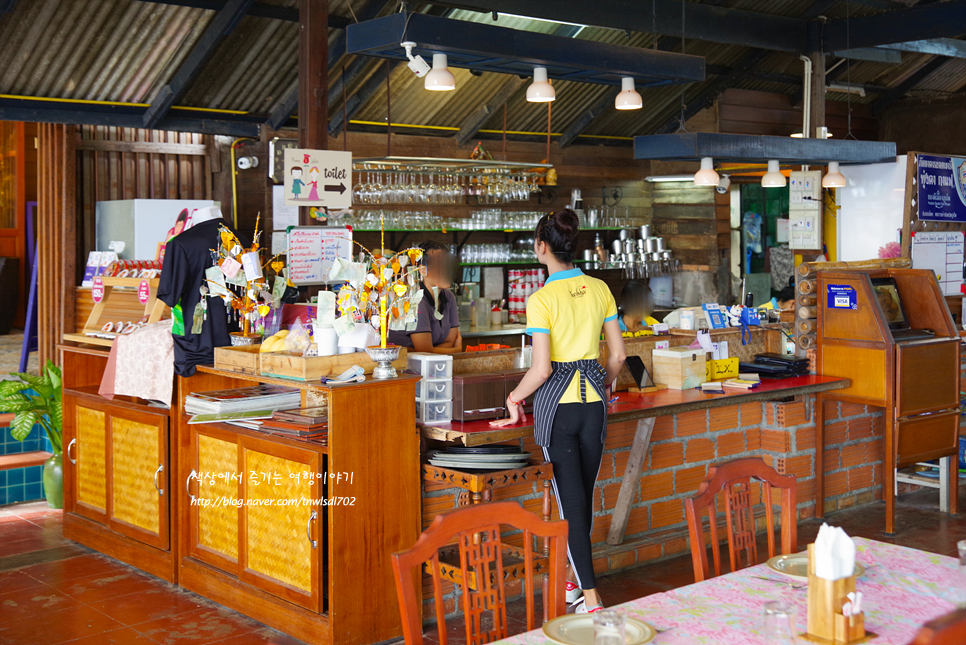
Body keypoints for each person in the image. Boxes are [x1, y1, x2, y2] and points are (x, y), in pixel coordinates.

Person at [490, 209, 626, 613]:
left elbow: (542, 369)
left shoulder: (542, 298)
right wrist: (605, 383)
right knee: (581, 498)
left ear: (541, 247)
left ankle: (593, 599)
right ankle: (572, 582)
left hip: (560, 411)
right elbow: (617, 355)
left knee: (571, 506)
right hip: (594, 408)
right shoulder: (599, 288)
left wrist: (514, 398)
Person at [386, 241, 462, 354]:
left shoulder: (448, 297)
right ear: (422, 270)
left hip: (434, 365)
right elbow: (425, 351)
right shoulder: (415, 300)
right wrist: (456, 350)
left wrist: (428, 350)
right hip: (406, 367)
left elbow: (450, 341)